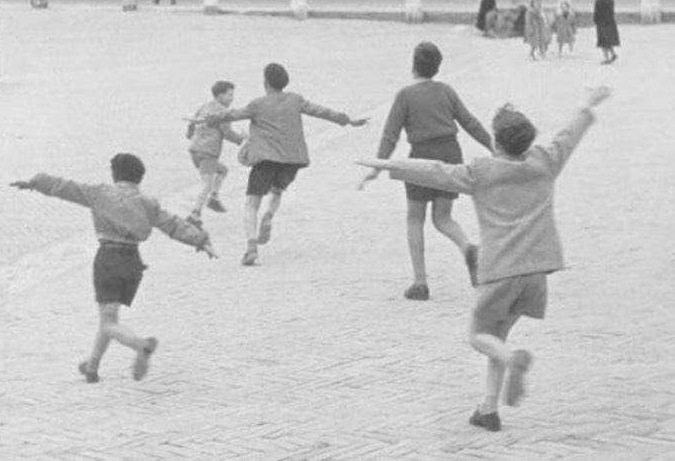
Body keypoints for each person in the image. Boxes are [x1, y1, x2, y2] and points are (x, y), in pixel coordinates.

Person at [358, 86, 613, 432]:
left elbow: (435, 171)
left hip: (500, 273)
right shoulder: (545, 162)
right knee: (498, 336)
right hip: (536, 274)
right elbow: (568, 137)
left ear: (496, 143)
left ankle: (513, 360)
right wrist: (586, 105)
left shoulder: (482, 172)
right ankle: (488, 410)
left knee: (479, 336)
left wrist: (388, 164)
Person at [10, 153, 217, 383]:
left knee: (109, 322)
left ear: (114, 174)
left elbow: (65, 187)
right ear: (139, 178)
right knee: (109, 318)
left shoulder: (100, 193)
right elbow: (173, 224)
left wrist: (36, 182)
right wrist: (199, 240)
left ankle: (140, 345)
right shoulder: (148, 203)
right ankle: (92, 366)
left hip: (108, 257)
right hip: (133, 262)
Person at [195, 63, 369, 266]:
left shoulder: (257, 104)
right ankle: (269, 215)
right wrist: (348, 120)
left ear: (265, 83)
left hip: (266, 159)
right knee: (277, 192)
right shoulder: (295, 99)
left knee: (251, 203)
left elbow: (232, 114)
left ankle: (252, 249)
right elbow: (321, 111)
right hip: (292, 160)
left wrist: (209, 118)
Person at [360, 42, 493, 300]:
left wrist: (378, 166)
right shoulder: (446, 91)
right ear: (437, 67)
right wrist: (493, 146)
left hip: (420, 158)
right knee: (443, 218)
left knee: (415, 218)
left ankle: (420, 283)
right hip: (450, 155)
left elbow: (390, 135)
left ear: (413, 65)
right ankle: (468, 248)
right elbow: (470, 123)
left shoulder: (405, 96)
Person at [187, 80, 246, 221]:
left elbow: (192, 122)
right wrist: (242, 139)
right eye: (229, 95)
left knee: (222, 170)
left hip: (195, 150)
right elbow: (227, 133)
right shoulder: (223, 113)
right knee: (206, 184)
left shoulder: (205, 107)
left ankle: (214, 197)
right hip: (208, 152)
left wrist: (189, 135)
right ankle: (195, 214)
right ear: (219, 95)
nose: (232, 99)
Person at [593, 0, 619, 64]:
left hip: (601, 22)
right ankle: (613, 53)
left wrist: (595, 20)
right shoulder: (611, 0)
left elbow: (596, 13)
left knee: (603, 41)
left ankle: (606, 58)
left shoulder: (598, 1)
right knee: (608, 40)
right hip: (610, 22)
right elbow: (612, 11)